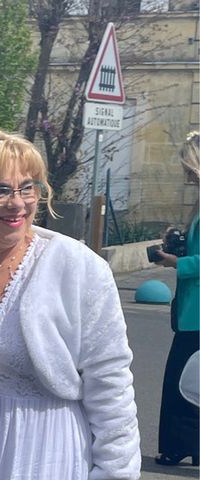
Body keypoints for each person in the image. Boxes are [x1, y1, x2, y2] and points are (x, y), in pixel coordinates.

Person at [0, 129, 141, 479]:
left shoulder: (77, 267)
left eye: (28, 187)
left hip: (44, 458)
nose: (18, 203)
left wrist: (115, 473)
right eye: (0, 190)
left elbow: (111, 383)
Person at [154, 131, 199, 467]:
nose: (186, 173)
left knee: (183, 383)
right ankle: (187, 445)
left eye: (189, 166)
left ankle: (179, 445)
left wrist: (175, 262)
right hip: (189, 310)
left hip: (197, 313)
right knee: (186, 382)